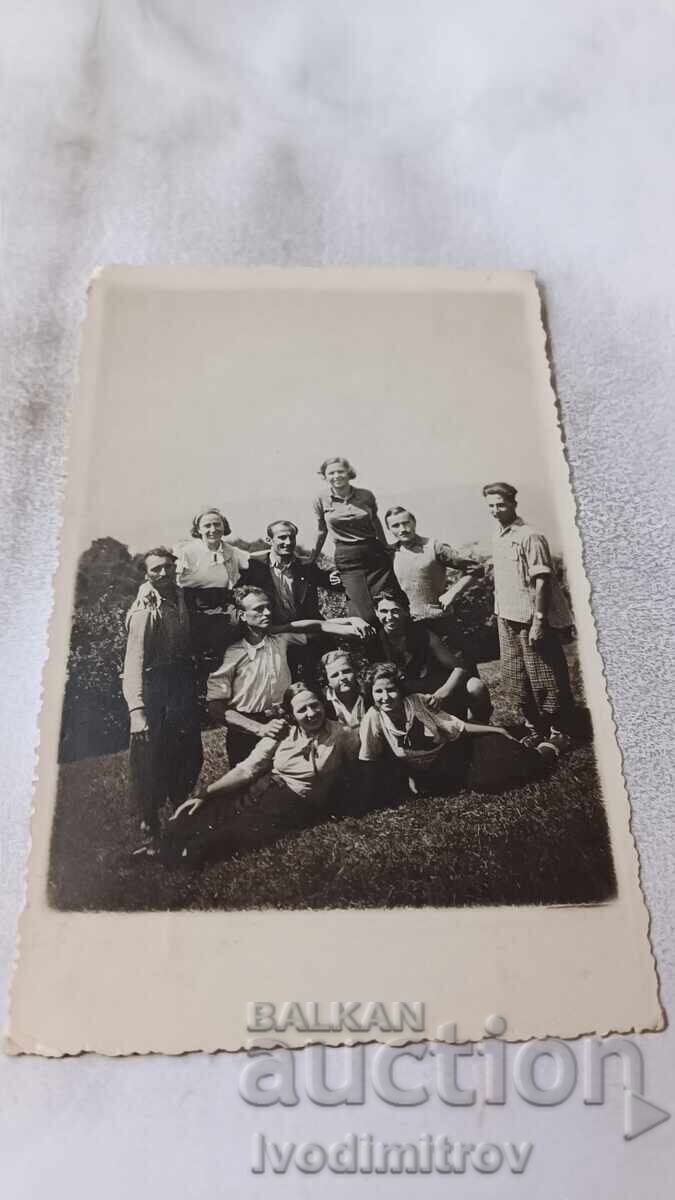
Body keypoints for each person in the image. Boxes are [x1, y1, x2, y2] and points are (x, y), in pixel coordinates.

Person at [167, 683, 358, 863]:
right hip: (263, 787)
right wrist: (205, 793)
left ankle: (183, 854)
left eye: (314, 705)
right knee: (191, 818)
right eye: (302, 710)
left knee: (224, 835)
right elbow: (247, 769)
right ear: (291, 714)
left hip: (293, 801)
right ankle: (164, 844)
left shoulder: (341, 734)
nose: (311, 714)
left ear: (322, 704)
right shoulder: (282, 732)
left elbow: (358, 768)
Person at [206, 584, 374, 765]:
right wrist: (259, 729)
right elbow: (216, 708)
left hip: (285, 725)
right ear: (242, 615)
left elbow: (316, 626)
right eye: (259, 609)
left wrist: (352, 622)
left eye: (268, 606)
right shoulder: (230, 653)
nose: (268, 612)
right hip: (246, 733)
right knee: (247, 785)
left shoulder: (280, 640)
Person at [359, 662, 550, 798]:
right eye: (378, 691)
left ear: (400, 690)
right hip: (426, 774)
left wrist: (496, 729)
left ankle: (545, 751)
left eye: (391, 689)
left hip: (450, 754)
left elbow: (457, 726)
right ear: (371, 693)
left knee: (493, 777)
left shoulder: (417, 702)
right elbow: (369, 758)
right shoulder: (373, 717)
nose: (386, 697)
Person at [483, 481, 575, 751]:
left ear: (513, 503)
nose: (496, 510)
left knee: (544, 674)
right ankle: (535, 728)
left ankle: (560, 730)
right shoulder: (497, 535)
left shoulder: (530, 535)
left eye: (501, 504)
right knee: (516, 676)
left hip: (530, 618)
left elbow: (542, 581)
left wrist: (539, 621)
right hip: (506, 616)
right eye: (491, 506)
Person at [122, 547, 203, 848]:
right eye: (156, 569)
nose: (164, 574)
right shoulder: (145, 609)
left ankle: (182, 820)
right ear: (147, 574)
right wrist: (137, 710)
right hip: (153, 686)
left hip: (180, 683)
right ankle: (150, 831)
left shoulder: (179, 596)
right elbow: (133, 663)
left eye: (168, 567)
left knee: (187, 752)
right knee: (149, 760)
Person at [311, 456, 405, 625]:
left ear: (349, 472)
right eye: (331, 473)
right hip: (348, 558)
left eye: (340, 471)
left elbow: (375, 522)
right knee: (363, 613)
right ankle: (370, 650)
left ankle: (397, 650)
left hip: (374, 554)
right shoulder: (320, 499)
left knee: (388, 604)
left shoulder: (366, 495)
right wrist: (312, 557)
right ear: (324, 476)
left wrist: (385, 546)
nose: (336, 475)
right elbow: (321, 530)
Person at [372, 590, 492, 721]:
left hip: (435, 691)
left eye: (395, 610)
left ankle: (480, 731)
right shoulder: (375, 640)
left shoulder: (423, 634)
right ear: (376, 613)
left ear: (405, 611)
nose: (389, 617)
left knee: (476, 686)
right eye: (384, 611)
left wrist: (441, 694)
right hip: (404, 699)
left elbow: (459, 668)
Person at [172, 507, 251, 695]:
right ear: (198, 530)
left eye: (217, 524)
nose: (213, 529)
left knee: (234, 632)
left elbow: (254, 559)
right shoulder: (187, 551)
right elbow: (169, 575)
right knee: (196, 648)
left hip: (222, 600)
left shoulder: (231, 551)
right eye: (207, 525)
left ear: (224, 527)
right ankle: (199, 695)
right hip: (191, 601)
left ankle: (226, 692)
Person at [385, 505, 482, 626]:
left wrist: (452, 593)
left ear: (414, 523)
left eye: (406, 523)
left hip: (438, 619)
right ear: (389, 529)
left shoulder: (434, 546)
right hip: (406, 624)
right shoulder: (389, 553)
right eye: (395, 526)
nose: (403, 529)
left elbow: (476, 569)